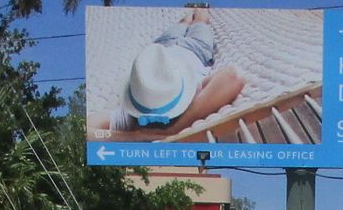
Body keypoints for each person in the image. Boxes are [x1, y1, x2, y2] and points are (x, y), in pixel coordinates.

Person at [100, 8, 244, 139]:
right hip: (195, 48)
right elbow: (234, 76)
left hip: (161, 48)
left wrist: (140, 135)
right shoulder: (190, 95)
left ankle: (192, 12)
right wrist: (176, 128)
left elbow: (88, 128)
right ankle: (197, 9)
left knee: (184, 22)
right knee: (200, 20)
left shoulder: (132, 115)